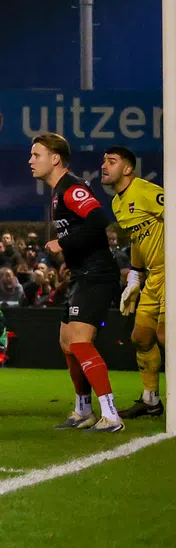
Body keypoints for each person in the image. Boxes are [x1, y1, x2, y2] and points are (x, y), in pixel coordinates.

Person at [31, 132, 123, 431]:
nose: (31, 161)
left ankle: (111, 414)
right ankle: (83, 410)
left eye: (37, 155)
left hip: (97, 274)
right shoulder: (58, 192)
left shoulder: (71, 187)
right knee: (67, 342)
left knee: (80, 342)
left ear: (55, 158)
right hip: (83, 275)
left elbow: (98, 221)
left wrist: (63, 242)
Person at [102, 145, 165, 419]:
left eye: (111, 161)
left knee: (165, 336)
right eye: (104, 161)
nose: (104, 166)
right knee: (141, 337)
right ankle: (151, 400)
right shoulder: (117, 203)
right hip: (153, 276)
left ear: (127, 168)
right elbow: (139, 238)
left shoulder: (148, 191)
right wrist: (136, 274)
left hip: (171, 273)